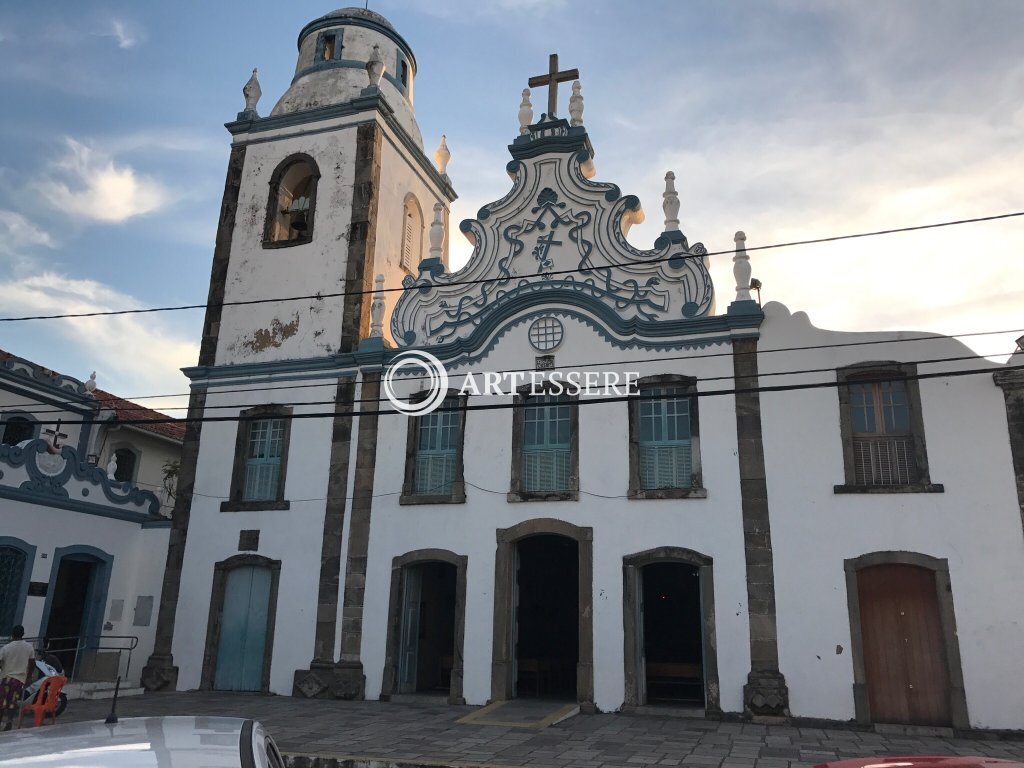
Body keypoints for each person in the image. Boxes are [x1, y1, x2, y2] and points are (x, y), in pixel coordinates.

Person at [0, 625, 35, 731]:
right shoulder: (29, 647)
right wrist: (28, 677)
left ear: (12, 635)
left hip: (7, 678)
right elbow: (32, 663)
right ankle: (9, 721)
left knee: (3, 701)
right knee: (13, 701)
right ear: (23, 634)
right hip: (19, 680)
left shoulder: (6, 648)